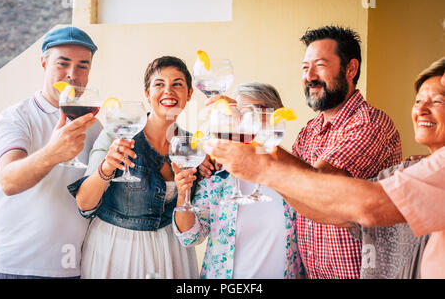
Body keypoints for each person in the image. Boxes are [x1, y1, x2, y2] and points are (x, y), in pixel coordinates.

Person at [203, 57, 445, 279]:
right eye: (417, 101)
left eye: (437, 101)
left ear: (351, 69)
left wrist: (263, 165)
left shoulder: (370, 124)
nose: (422, 109)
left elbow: (366, 205)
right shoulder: (411, 168)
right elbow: (336, 211)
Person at [67, 56, 198, 279]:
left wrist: (186, 188)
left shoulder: (193, 145)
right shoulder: (115, 133)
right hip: (117, 250)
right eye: (159, 84)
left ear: (189, 94)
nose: (168, 91)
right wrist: (107, 166)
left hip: (171, 252)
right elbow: (85, 204)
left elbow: (191, 225)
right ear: (147, 94)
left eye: (177, 84)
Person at [0, 26, 102, 278]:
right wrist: (53, 153)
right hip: (14, 268)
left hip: (71, 269)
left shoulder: (94, 125)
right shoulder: (16, 118)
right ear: (43, 63)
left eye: (82, 66)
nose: (72, 75)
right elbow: (8, 181)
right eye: (62, 63)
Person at [171, 83, 304, 279]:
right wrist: (184, 193)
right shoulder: (218, 175)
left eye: (255, 113)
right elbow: (190, 236)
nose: (243, 121)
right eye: (239, 113)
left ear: (276, 118)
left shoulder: (294, 173)